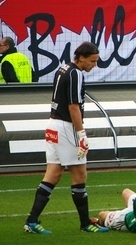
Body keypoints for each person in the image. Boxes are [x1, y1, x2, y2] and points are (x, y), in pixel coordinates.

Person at [24, 42, 109, 234]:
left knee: (53, 174)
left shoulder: (63, 68)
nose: (94, 65)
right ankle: (85, 223)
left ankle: (31, 221)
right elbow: (73, 107)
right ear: (81, 57)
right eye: (92, 61)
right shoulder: (75, 73)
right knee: (79, 174)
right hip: (66, 127)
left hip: (53, 125)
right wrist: (81, 134)